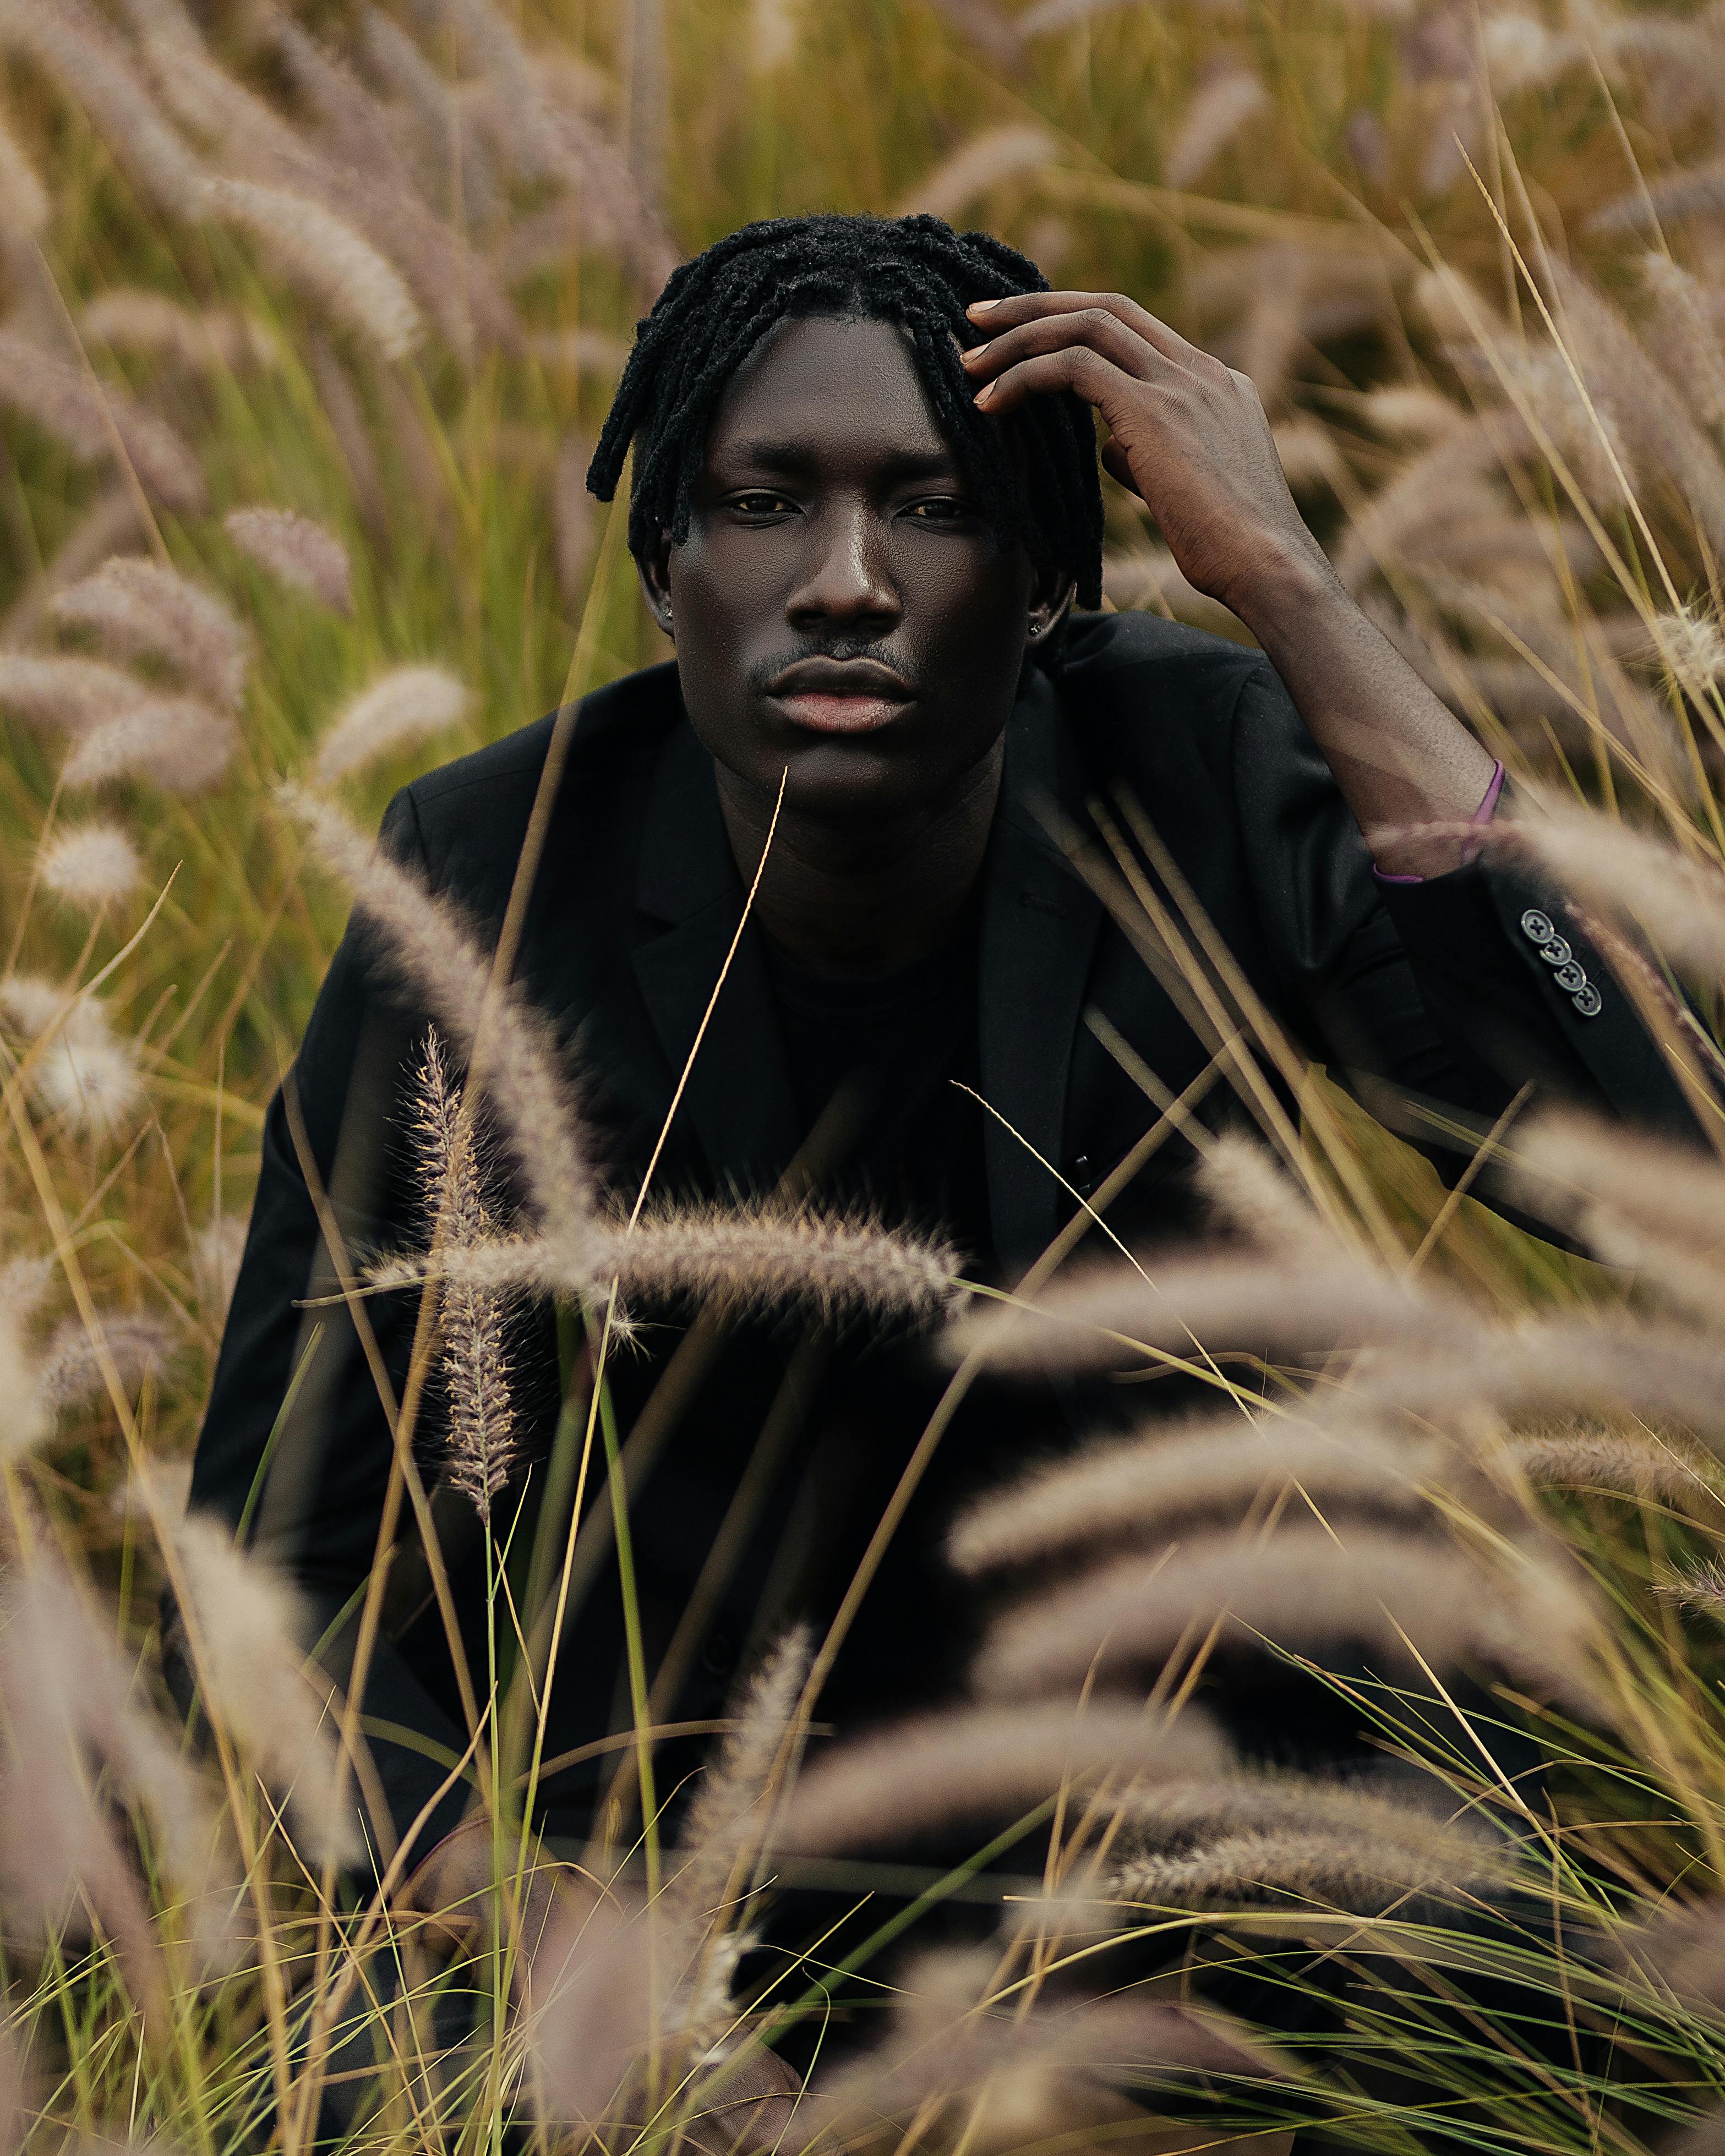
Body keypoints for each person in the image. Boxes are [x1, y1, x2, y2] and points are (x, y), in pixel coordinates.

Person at [182, 212, 1694, 2110]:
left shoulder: (1200, 758)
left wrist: (1296, 592)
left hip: (1223, 1779)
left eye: (931, 505)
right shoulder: (489, 872)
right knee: (323, 2076)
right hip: (689, 1845)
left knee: (1581, 2041)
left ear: (1047, 574)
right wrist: (551, 1944)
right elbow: (274, 1566)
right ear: (666, 564)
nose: (842, 580)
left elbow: (1657, 1166)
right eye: (762, 504)